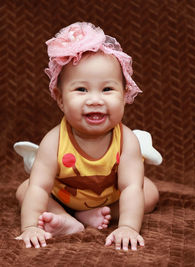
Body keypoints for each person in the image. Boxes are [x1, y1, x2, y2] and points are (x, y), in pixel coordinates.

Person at [15, 22, 160, 251]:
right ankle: (66, 218)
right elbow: (40, 188)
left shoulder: (126, 140)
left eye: (107, 89)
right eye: (81, 90)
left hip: (109, 198)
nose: (95, 100)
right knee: (25, 190)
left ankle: (96, 215)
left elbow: (131, 187)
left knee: (148, 192)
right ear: (60, 98)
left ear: (124, 95)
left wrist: (128, 227)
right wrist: (30, 226)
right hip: (64, 196)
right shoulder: (54, 141)